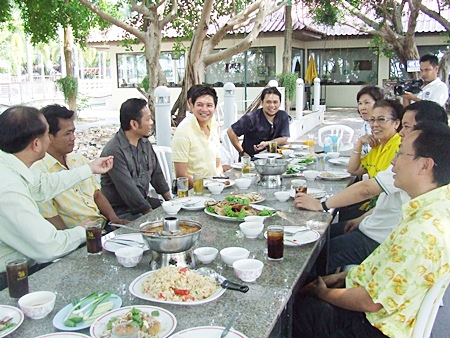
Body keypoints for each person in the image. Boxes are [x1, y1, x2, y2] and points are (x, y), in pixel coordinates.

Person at [294, 121, 450, 338]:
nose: (394, 162)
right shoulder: (434, 207)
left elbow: (370, 301)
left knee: (299, 309)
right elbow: (386, 273)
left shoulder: (422, 232)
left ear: (425, 165)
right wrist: (341, 279)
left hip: (376, 328)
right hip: (386, 311)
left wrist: (324, 293)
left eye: (401, 154)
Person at [294, 100, 448, 273]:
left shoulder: (413, 161)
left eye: (406, 126)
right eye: (371, 119)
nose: (402, 132)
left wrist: (320, 205)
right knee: (320, 232)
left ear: (426, 131)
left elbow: (366, 189)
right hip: (373, 227)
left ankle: (310, 294)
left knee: (313, 253)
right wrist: (361, 220)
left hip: (378, 239)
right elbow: (363, 178)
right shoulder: (387, 147)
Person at [0, 106, 114, 286]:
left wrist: (89, 169)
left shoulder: (9, 164)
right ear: (36, 144)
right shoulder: (9, 189)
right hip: (10, 278)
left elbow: (43, 185)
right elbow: (48, 246)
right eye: (47, 134)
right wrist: (84, 230)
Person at [32, 105, 128, 230]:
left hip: (102, 225)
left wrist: (114, 219)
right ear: (49, 137)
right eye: (67, 134)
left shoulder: (79, 160)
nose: (73, 138)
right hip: (78, 237)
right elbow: (52, 218)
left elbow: (96, 194)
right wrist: (74, 242)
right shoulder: (40, 173)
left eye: (73, 131)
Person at [100, 98, 171, 220]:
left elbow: (156, 175)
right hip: (123, 212)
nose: (151, 122)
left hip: (144, 202)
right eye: (148, 119)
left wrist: (171, 202)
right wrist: (153, 218)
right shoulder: (114, 151)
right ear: (134, 124)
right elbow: (130, 192)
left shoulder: (144, 142)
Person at [171, 85, 222, 187]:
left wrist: (218, 181)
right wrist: (204, 187)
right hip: (192, 193)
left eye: (209, 105)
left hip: (213, 188)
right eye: (200, 105)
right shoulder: (183, 132)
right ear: (192, 105)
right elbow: (181, 175)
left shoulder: (213, 127)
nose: (204, 109)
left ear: (215, 107)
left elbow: (217, 164)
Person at [227, 87, 290, 158]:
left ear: (280, 103)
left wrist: (267, 143)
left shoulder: (283, 116)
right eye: (268, 102)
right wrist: (242, 152)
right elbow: (231, 131)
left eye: (275, 102)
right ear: (262, 103)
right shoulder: (251, 118)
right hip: (252, 160)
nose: (272, 105)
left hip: (275, 158)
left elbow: (284, 138)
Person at [347, 99, 403, 178]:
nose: (375, 124)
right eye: (372, 120)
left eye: (381, 119)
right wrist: (359, 142)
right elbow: (353, 170)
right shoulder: (377, 147)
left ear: (396, 123)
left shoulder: (400, 148)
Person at [356, 85, 384, 155]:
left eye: (367, 103)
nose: (362, 108)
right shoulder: (366, 124)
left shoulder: (384, 126)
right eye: (360, 103)